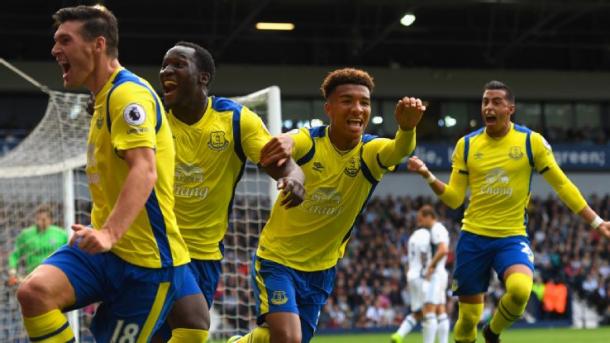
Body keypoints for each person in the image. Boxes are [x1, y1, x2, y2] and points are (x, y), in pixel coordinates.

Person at [16, 5, 208, 342]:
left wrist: (109, 233)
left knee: (194, 323)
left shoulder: (127, 95)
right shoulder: (102, 98)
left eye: (65, 40)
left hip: (144, 263)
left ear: (98, 44)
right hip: (105, 252)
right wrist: (101, 233)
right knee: (34, 293)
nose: (54, 49)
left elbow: (144, 170)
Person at [229, 67, 425, 343]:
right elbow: (292, 140)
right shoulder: (311, 141)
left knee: (280, 338)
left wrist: (407, 128)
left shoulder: (369, 152)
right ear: (329, 108)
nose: (357, 109)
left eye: (364, 102)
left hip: (322, 270)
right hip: (277, 261)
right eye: (347, 101)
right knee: (289, 339)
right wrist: (284, 142)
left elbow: (400, 150)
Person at [408, 80, 610, 343]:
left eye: (496, 102)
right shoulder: (467, 145)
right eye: (485, 102)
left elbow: (562, 185)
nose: (488, 107)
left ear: (510, 109)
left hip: (511, 237)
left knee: (520, 291)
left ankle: (492, 331)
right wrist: (427, 175)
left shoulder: (530, 142)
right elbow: (455, 199)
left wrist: (596, 222)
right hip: (473, 238)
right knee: (467, 319)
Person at [154, 41, 305, 341]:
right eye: (164, 65)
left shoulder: (235, 120)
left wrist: (295, 179)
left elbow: (285, 165)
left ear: (203, 77)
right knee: (186, 330)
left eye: (177, 65)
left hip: (203, 255)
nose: (166, 71)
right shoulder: (152, 116)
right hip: (154, 245)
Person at [392, 205, 450, 343]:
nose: (420, 222)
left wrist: (430, 266)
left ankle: (402, 335)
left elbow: (443, 250)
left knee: (428, 310)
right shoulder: (430, 231)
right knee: (439, 309)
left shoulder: (434, 230)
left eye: (421, 219)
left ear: (430, 216)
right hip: (434, 273)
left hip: (433, 274)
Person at [7, 205, 67, 287]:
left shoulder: (61, 234)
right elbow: (14, 255)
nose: (39, 222)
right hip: (33, 277)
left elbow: (67, 254)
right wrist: (12, 271)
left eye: (43, 220)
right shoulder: (26, 234)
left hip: (55, 276)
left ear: (50, 220)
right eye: (37, 219)